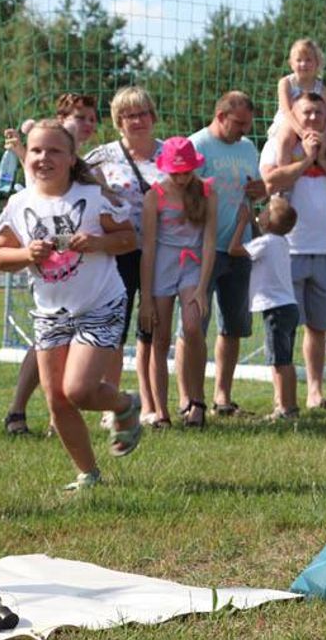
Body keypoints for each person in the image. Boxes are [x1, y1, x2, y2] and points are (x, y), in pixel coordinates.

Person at [0, 120, 142, 489]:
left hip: (99, 305)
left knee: (78, 390)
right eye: (37, 150)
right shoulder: (19, 203)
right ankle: (89, 475)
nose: (43, 157)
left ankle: (124, 405)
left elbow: (128, 238)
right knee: (56, 399)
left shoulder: (92, 198)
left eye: (54, 150)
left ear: (72, 158)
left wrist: (97, 242)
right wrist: (27, 253)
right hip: (50, 312)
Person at [1, 92, 101, 436]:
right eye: (79, 118)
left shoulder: (78, 161)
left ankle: (49, 414)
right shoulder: (50, 151)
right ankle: (26, 410)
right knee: (48, 339)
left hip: (75, 263)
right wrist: (18, 151)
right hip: (49, 263)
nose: (86, 124)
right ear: (61, 120)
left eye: (91, 118)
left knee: (60, 341)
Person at [261, 92, 326, 409]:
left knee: (318, 328)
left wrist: (320, 161)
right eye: (306, 112)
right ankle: (283, 398)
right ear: (294, 113)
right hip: (288, 251)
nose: (312, 119)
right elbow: (269, 181)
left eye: (319, 113)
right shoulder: (280, 145)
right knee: (284, 327)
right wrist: (304, 160)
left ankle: (315, 392)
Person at [85, 86, 164, 428]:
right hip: (119, 253)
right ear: (118, 121)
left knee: (152, 329)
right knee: (114, 329)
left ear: (153, 116)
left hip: (164, 252)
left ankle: (151, 406)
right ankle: (111, 402)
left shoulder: (170, 154)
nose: (137, 120)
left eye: (142, 113)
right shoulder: (101, 156)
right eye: (129, 115)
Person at [185, 91, 266, 416]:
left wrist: (260, 191)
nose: (244, 130)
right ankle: (189, 398)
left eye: (248, 124)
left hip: (239, 249)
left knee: (233, 326)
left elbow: (257, 189)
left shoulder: (248, 148)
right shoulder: (196, 146)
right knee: (192, 327)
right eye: (239, 123)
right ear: (221, 116)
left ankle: (222, 397)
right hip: (201, 249)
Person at [139, 137, 217, 428]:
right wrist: (146, 298)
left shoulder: (207, 191)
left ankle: (196, 401)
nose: (182, 178)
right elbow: (148, 248)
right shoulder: (155, 196)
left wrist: (202, 288)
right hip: (161, 268)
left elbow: (209, 242)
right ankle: (161, 412)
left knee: (194, 326)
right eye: (176, 172)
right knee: (160, 339)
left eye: (186, 172)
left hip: (193, 267)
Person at [229, 197, 301, 420]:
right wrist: (253, 221)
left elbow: (234, 249)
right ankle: (290, 405)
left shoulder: (266, 242)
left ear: (269, 221)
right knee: (286, 359)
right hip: (288, 306)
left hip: (275, 309)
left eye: (266, 210)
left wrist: (242, 222)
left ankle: (284, 409)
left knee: (278, 361)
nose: (261, 212)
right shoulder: (280, 241)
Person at [267, 38, 326, 170]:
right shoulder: (286, 83)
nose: (303, 64)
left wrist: (322, 135)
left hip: (316, 122)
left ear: (317, 63)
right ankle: (284, 182)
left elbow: (325, 116)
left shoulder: (323, 90)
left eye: (308, 60)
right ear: (291, 63)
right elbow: (286, 110)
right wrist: (301, 132)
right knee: (285, 141)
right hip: (290, 121)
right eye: (299, 60)